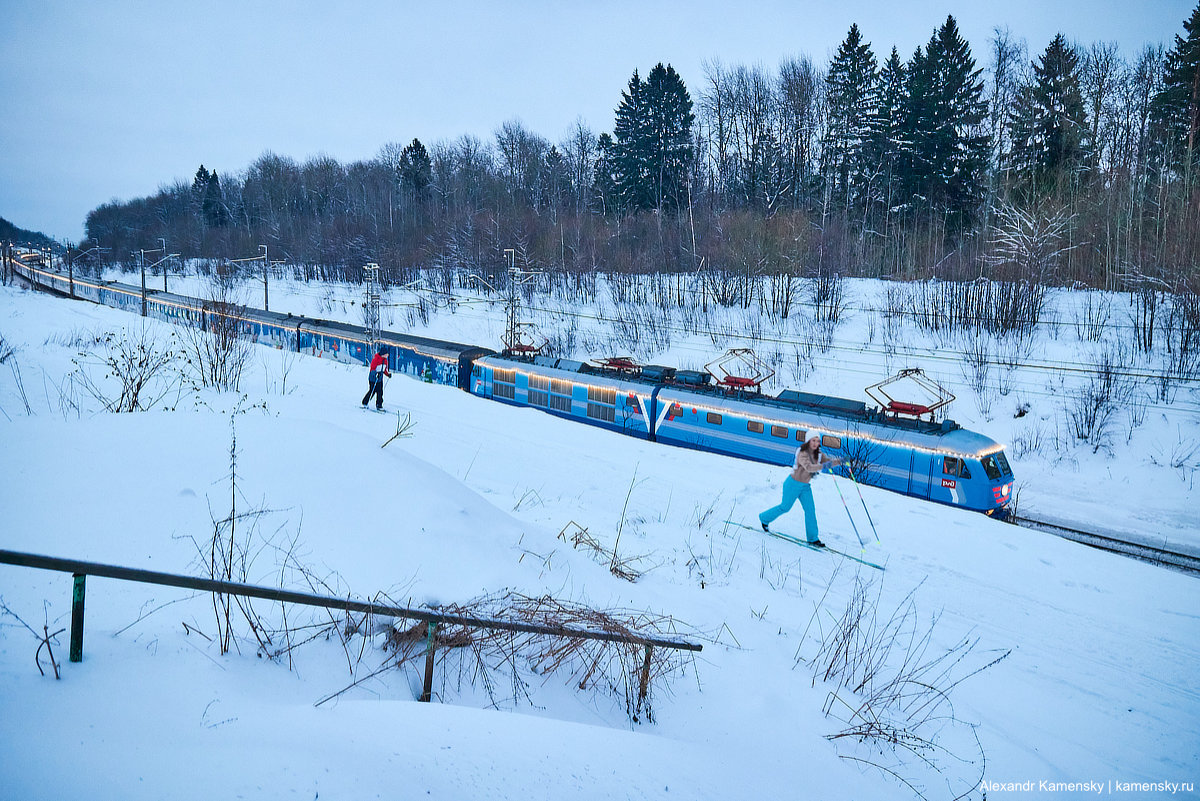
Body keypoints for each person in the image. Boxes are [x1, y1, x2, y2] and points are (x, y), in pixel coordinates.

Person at [759, 436, 842, 547]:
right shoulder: (802, 453)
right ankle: (764, 518)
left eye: (817, 441)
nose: (815, 443)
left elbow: (829, 462)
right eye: (813, 440)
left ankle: (813, 539)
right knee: (785, 507)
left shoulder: (819, 454)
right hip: (793, 484)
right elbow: (809, 467)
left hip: (805, 486)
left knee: (810, 510)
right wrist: (823, 465)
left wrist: (842, 461)